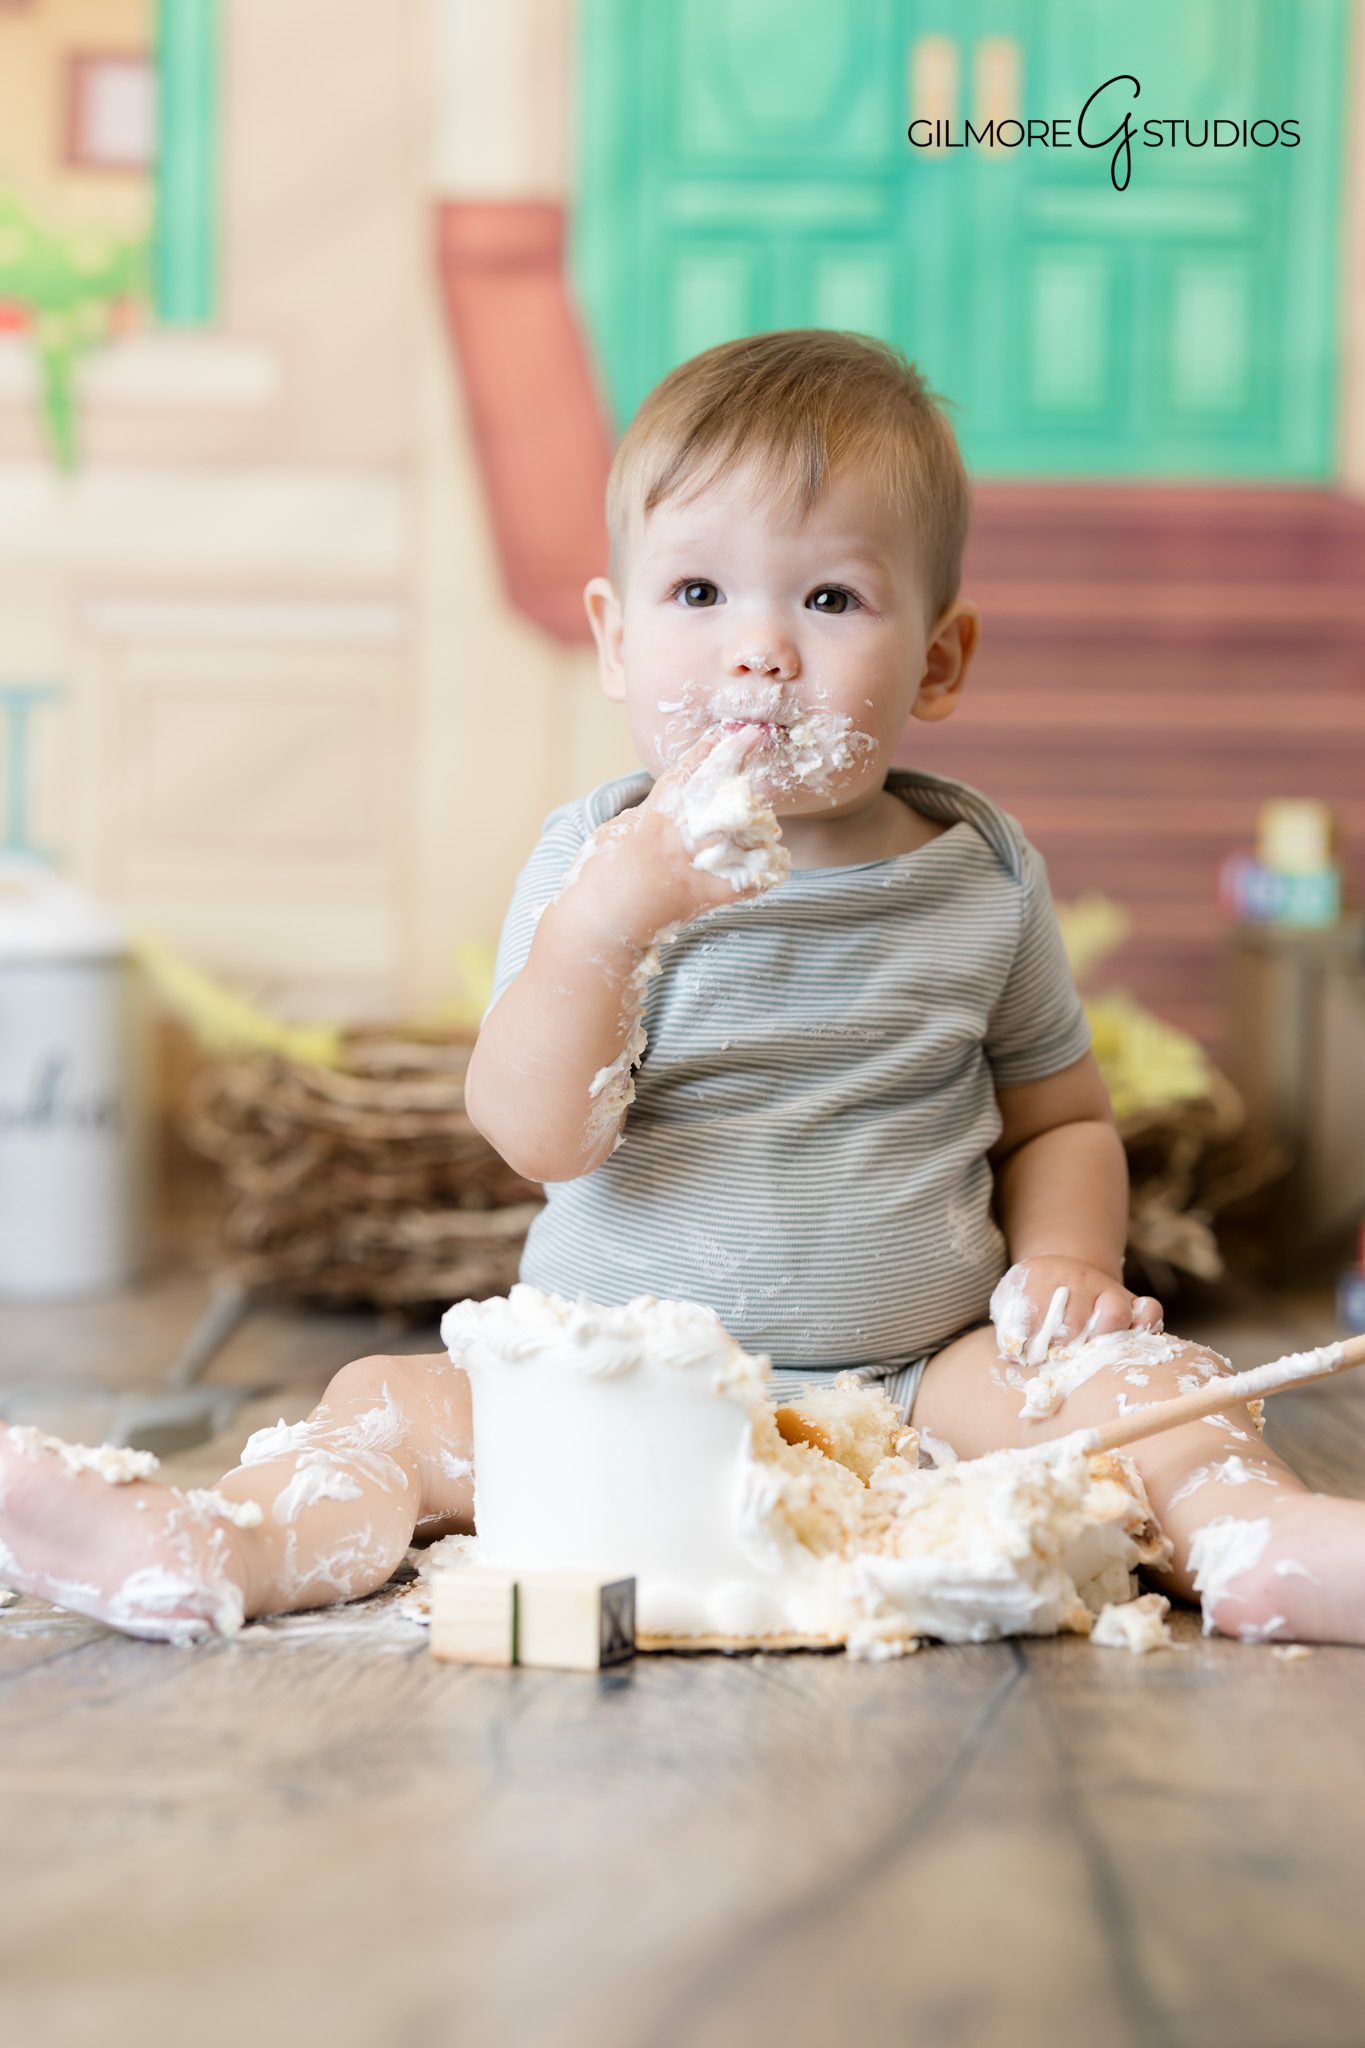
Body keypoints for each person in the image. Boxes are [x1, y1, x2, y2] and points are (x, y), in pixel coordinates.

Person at [2, 330, 1359, 1647]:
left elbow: (1059, 1118)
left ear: (938, 659)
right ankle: (225, 1546)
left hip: (919, 1385)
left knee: (1156, 1389)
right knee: (386, 1406)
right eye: (699, 594)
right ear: (614, 637)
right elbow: (539, 1135)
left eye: (830, 600)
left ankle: (1260, 1543)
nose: (758, 651)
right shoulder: (594, 865)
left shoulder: (981, 873)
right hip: (608, 1389)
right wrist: (608, 926)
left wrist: (1068, 1262)